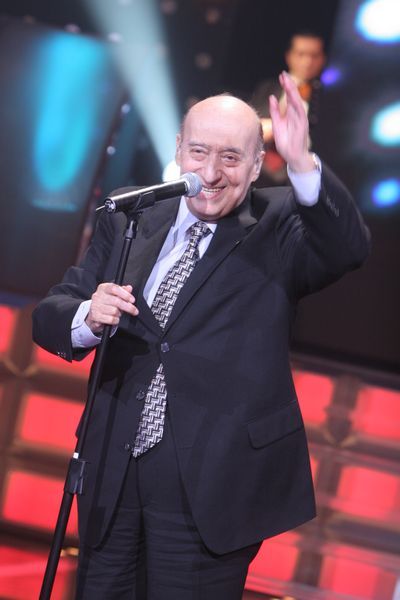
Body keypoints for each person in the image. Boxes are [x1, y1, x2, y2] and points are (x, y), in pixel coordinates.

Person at [32, 72, 370, 600]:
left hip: (212, 484)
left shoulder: (279, 222)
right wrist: (88, 316)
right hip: (112, 472)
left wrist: (303, 161)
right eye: (199, 152)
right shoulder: (133, 214)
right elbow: (51, 314)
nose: (210, 173)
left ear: (256, 166)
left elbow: (347, 246)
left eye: (231, 158)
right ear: (178, 149)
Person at [252, 31, 326, 186]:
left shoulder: (325, 100)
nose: (307, 61)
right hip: (256, 169)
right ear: (289, 56)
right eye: (301, 54)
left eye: (314, 56)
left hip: (293, 179)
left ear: (322, 59)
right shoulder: (267, 88)